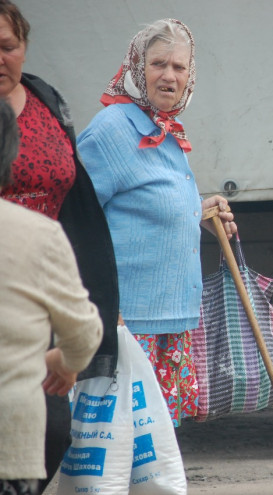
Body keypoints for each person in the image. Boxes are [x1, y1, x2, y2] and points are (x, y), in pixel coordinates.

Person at [76, 18, 237, 428]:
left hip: (170, 318)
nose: (169, 76)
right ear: (135, 69)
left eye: (179, 68)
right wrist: (102, 307)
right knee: (124, 442)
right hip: (129, 321)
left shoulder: (164, 131)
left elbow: (148, 203)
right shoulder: (113, 130)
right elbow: (75, 221)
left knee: (158, 446)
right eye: (158, 64)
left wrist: (200, 209)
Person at [0, 1, 120, 490]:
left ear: (25, 47)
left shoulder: (45, 100)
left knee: (50, 432)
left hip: (42, 276)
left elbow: (77, 198)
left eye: (7, 46)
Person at [0, 99, 103, 495]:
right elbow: (84, 332)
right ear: (10, 156)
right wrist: (65, 361)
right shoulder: (38, 234)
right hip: (10, 445)